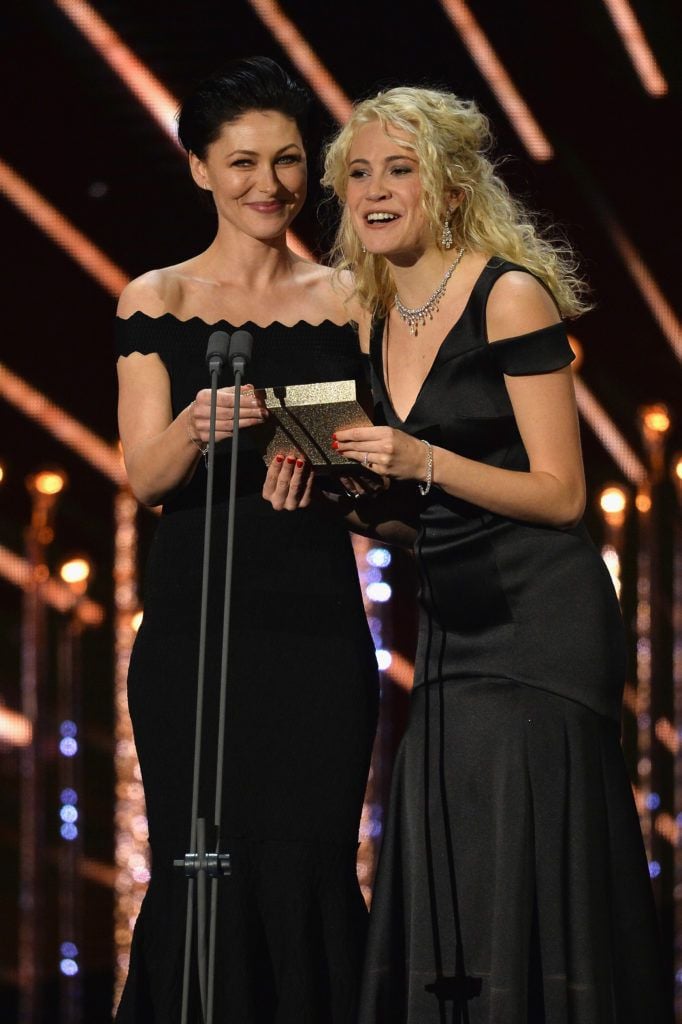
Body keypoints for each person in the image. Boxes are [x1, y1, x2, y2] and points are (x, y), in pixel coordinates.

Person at [317, 86, 668, 1023]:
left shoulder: (508, 295)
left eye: (401, 169)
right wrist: (343, 497)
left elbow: (559, 493)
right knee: (455, 860)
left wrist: (422, 457)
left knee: (526, 859)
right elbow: (420, 512)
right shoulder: (374, 316)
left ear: (452, 185)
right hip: (451, 625)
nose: (376, 190)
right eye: (358, 173)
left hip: (540, 625)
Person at [114, 57, 380, 1024]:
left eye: (287, 161)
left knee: (309, 855)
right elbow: (145, 477)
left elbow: (379, 477)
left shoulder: (352, 299)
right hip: (195, 631)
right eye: (241, 163)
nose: (267, 185)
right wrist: (195, 422)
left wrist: (334, 476)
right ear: (200, 169)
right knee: (202, 858)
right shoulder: (158, 300)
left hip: (313, 628)